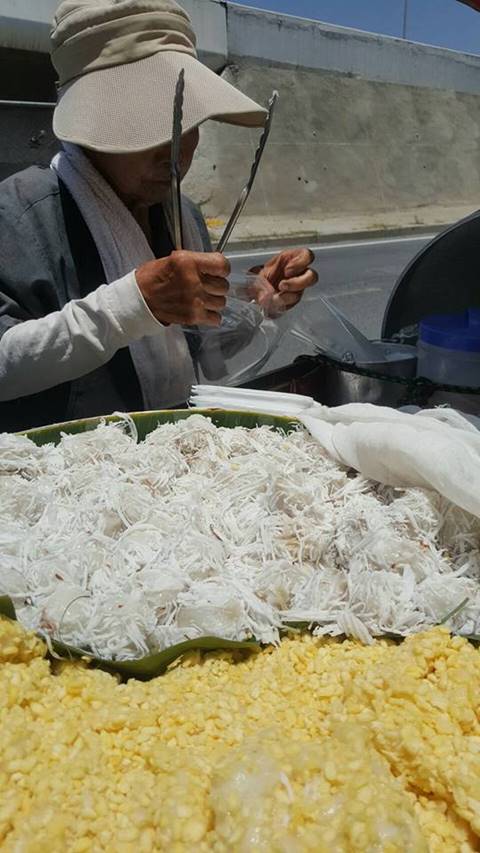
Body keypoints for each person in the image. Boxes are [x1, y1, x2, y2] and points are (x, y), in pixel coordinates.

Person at [0, 0, 317, 432]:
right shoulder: (18, 214)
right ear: (92, 125)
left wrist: (259, 303)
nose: (176, 152)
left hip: (167, 465)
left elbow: (197, 347)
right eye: (146, 124)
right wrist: (132, 305)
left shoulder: (181, 215)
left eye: (184, 122)